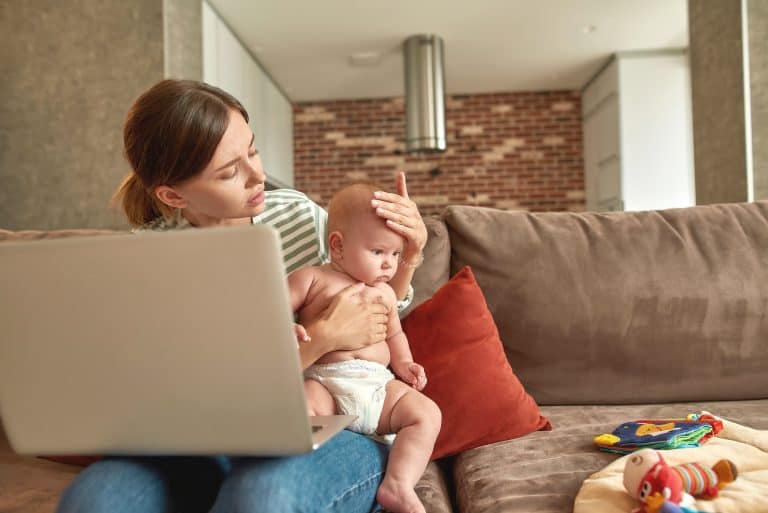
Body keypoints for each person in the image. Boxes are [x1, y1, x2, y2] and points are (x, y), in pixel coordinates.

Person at [55, 79, 428, 513]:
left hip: (336, 422)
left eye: (252, 150)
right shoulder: (149, 258)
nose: (257, 177)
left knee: (260, 497)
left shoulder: (299, 217)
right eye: (230, 171)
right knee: (94, 501)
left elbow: (382, 308)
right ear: (174, 195)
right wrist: (321, 338)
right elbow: (187, 387)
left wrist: (411, 256)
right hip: (201, 435)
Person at [289, 183, 441, 513]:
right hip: (326, 383)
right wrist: (288, 326)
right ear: (338, 246)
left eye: (395, 254)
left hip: (377, 386)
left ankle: (398, 484)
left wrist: (405, 364)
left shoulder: (386, 293)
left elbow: (395, 333)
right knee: (300, 409)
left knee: (427, 414)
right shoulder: (312, 279)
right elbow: (270, 307)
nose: (389, 265)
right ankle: (294, 471)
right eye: (378, 252)